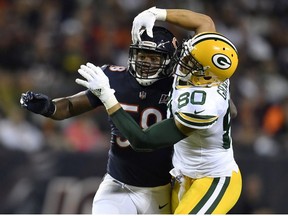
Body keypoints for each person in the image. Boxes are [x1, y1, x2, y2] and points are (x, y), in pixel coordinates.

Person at [75, 7, 242, 214]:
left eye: (191, 60)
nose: (184, 57)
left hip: (212, 176)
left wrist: (108, 97)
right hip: (182, 174)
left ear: (204, 76)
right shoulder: (208, 68)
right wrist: (157, 13)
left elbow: (143, 141)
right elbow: (204, 22)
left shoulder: (201, 105)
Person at [20, 26, 178, 214]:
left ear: (169, 60)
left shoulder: (178, 88)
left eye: (153, 58)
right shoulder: (114, 78)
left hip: (162, 188)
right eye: (142, 55)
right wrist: (49, 107)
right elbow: (71, 105)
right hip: (118, 185)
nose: (146, 62)